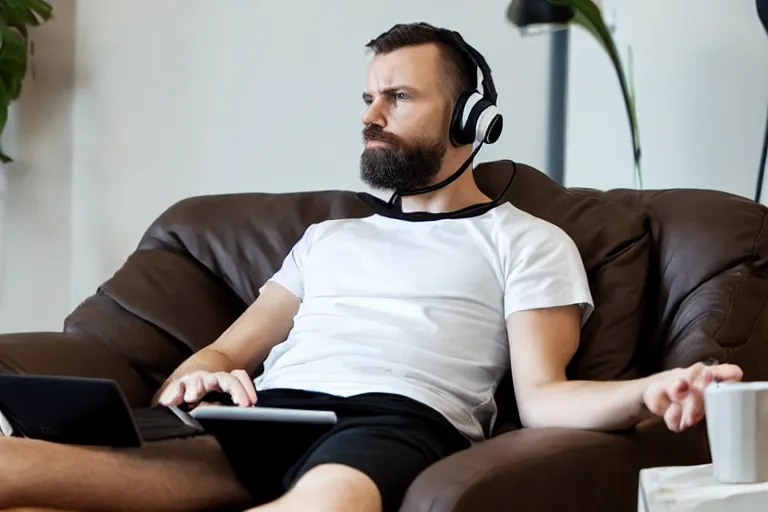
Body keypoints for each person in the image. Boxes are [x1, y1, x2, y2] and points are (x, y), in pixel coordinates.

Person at [0, 22, 743, 512]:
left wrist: (652, 388)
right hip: (263, 420)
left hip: (394, 424)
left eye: (397, 97)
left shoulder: (528, 241)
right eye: (367, 97)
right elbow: (228, 350)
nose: (370, 115)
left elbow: (546, 399)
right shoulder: (329, 240)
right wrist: (199, 374)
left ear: (470, 121)